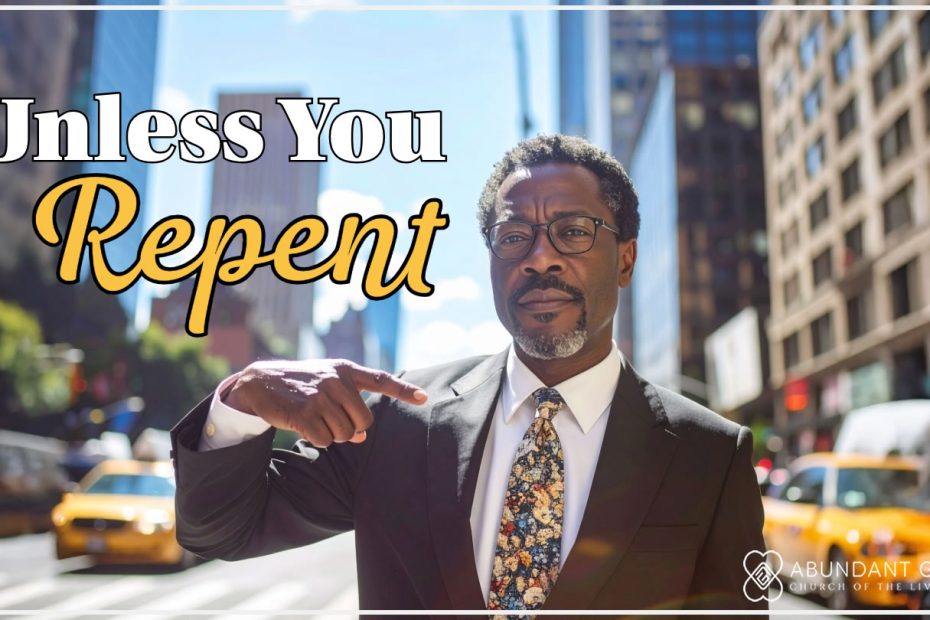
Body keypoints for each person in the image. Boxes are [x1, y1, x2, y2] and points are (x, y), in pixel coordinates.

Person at [170, 134, 768, 616]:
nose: (540, 257)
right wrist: (241, 396)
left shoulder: (710, 456)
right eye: (514, 237)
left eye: (573, 231)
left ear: (627, 259)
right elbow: (221, 531)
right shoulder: (395, 420)